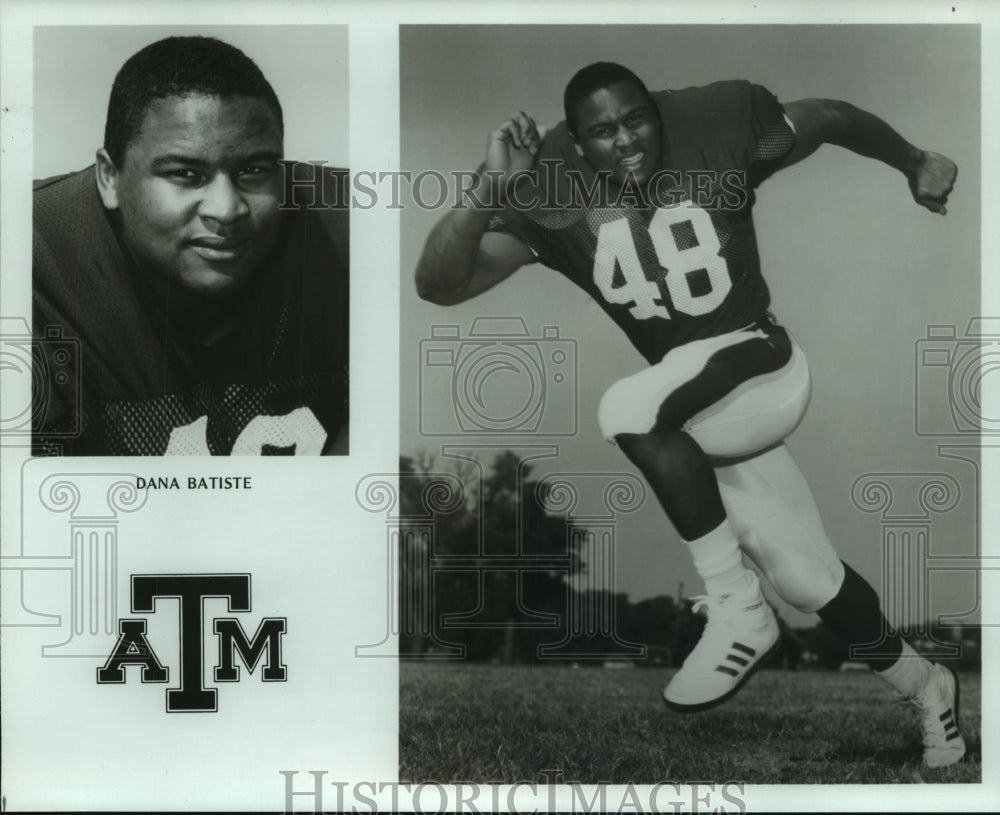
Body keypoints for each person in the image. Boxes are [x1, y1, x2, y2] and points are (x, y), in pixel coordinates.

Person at [414, 62, 964, 767]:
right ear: (578, 145)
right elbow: (440, 283)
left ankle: (734, 604)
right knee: (805, 576)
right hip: (696, 402)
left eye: (637, 118)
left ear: (657, 111)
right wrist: (489, 189)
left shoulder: (715, 132)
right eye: (604, 132)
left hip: (759, 360)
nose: (629, 141)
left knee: (627, 408)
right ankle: (927, 684)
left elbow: (827, 116)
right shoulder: (553, 193)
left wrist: (913, 160)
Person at [32, 36, 349, 456]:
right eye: (186, 173)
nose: (227, 208)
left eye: (253, 170)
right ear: (109, 176)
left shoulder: (346, 226)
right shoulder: (27, 251)